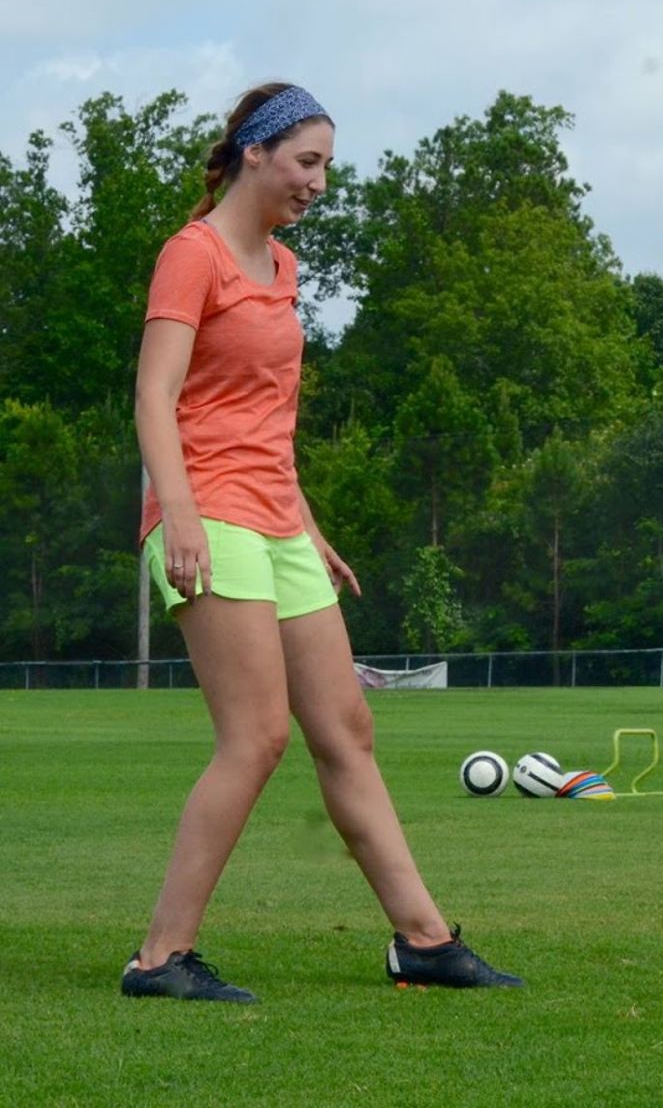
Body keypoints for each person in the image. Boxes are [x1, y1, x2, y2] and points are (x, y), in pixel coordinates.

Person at [123, 83, 522, 1003]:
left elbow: (267, 419)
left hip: (275, 516)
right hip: (206, 510)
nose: (319, 182)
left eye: (327, 166)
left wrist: (310, 526)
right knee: (256, 737)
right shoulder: (193, 256)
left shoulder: (287, 269)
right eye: (307, 162)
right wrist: (177, 512)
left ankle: (423, 941)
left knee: (347, 730)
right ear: (253, 154)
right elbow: (156, 396)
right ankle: (158, 960)